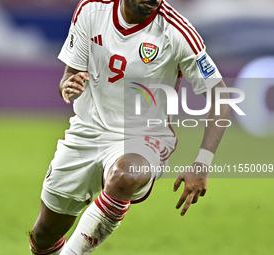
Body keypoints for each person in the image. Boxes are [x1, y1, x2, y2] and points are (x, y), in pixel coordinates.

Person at [29, 0, 230, 254]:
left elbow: (220, 96)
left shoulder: (177, 31)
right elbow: (69, 75)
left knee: (127, 175)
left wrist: (203, 162)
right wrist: (67, 85)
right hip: (87, 130)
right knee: (44, 235)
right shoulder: (91, 9)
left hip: (143, 135)